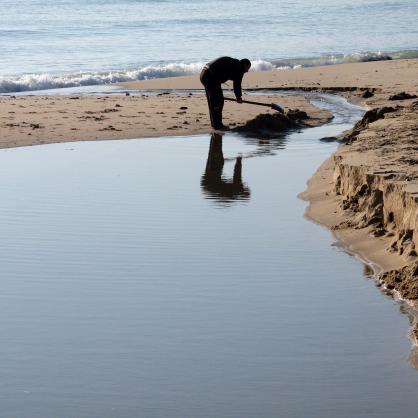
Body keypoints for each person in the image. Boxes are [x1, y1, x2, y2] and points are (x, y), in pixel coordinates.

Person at [200, 57, 251, 130]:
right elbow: (237, 84)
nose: (247, 71)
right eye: (248, 68)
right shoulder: (239, 68)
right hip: (210, 76)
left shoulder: (235, 63)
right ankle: (218, 126)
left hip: (204, 74)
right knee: (218, 101)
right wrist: (238, 97)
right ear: (245, 65)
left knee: (213, 101)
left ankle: (214, 124)